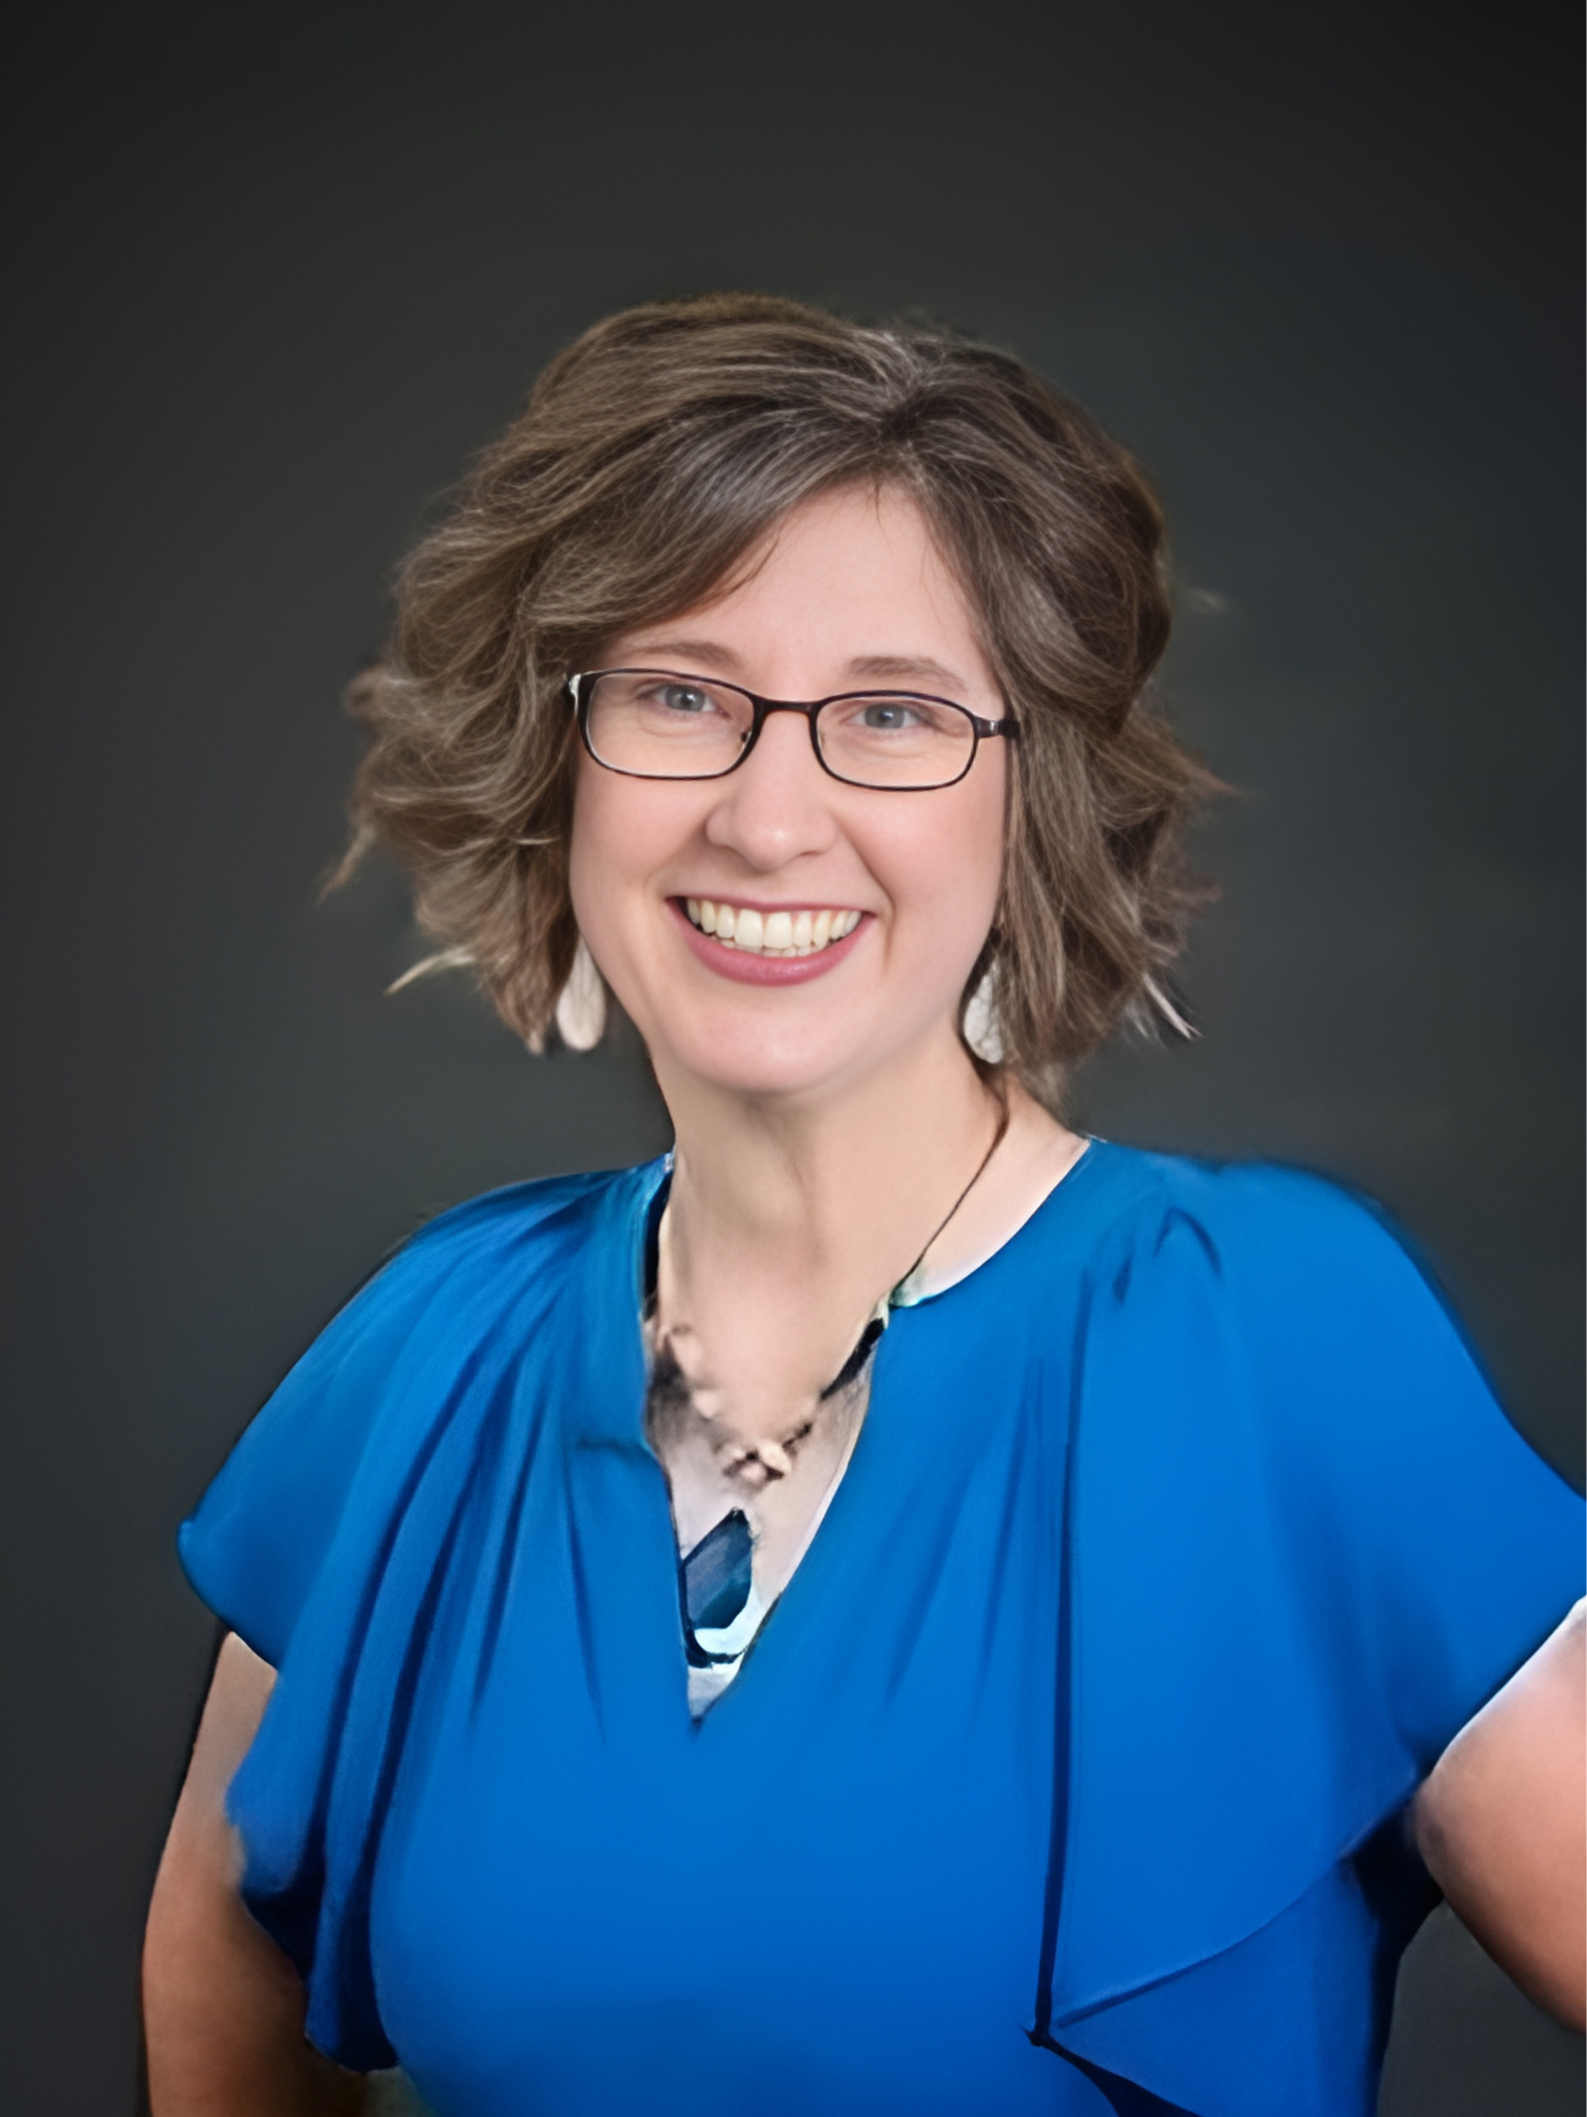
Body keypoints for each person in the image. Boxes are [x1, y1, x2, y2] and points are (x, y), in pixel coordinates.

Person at [142, 295, 1584, 2117]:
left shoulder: (1272, 1338)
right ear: (562, 762)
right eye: (680, 695)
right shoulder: (429, 1353)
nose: (766, 816)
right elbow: (219, 1941)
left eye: (889, 716)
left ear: (1028, 799)